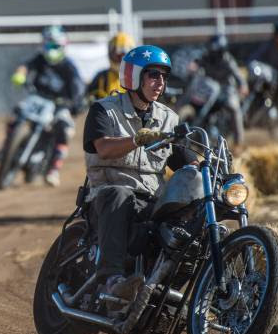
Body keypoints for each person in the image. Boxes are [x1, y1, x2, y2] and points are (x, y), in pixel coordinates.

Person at [82, 45, 197, 300]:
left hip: (150, 202)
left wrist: (210, 167)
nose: (160, 82)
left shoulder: (169, 119)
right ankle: (111, 280)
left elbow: (188, 162)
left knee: (191, 220)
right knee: (119, 194)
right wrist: (136, 139)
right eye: (153, 75)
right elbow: (103, 148)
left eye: (164, 77)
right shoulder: (104, 109)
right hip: (106, 196)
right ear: (134, 76)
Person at [10, 25, 84, 187]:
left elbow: (78, 89)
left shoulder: (69, 67)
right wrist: (20, 74)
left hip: (59, 104)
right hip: (38, 98)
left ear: (64, 46)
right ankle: (7, 148)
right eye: (48, 45)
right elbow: (25, 66)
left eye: (55, 46)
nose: (51, 49)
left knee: (65, 129)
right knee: (18, 111)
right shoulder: (40, 59)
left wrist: (76, 104)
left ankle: (54, 169)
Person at [190, 34, 248, 146]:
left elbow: (238, 75)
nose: (212, 52)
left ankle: (238, 142)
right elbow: (197, 63)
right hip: (209, 90)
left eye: (214, 50)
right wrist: (193, 66)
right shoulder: (206, 57)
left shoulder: (227, 60)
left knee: (234, 108)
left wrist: (243, 85)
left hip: (226, 90)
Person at [87, 31, 137, 101]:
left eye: (125, 56)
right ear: (110, 53)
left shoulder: (139, 78)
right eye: (118, 55)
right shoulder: (101, 77)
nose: (121, 60)